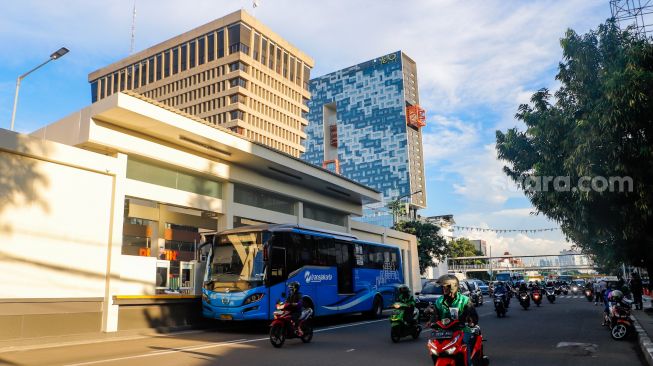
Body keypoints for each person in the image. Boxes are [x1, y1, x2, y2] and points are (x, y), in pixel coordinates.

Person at [428, 275, 479, 364]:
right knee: (435, 350)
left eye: (446, 286)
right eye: (443, 287)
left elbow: (473, 316)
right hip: (443, 332)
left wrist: (471, 321)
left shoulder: (465, 300)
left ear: (453, 287)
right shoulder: (439, 301)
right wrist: (432, 321)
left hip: (461, 330)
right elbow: (435, 315)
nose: (444, 289)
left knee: (465, 346)